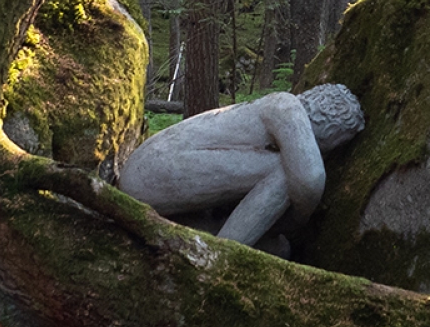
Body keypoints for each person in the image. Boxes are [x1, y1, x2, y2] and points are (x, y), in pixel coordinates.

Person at [116, 83, 365, 252]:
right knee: (285, 171)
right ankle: (223, 256)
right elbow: (309, 181)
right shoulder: (286, 106)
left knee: (277, 248)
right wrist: (295, 221)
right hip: (151, 173)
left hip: (156, 186)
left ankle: (216, 247)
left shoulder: (273, 116)